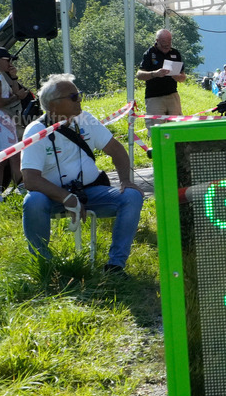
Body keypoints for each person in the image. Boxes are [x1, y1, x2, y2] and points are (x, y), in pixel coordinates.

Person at [20, 74, 144, 276]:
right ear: (53, 105)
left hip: (91, 192)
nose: (80, 100)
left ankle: (115, 266)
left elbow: (117, 151)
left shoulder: (86, 119)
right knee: (32, 200)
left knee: (132, 196)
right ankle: (44, 266)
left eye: (79, 95)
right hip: (53, 198)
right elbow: (30, 179)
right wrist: (66, 197)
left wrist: (126, 181)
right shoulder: (35, 131)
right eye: (74, 96)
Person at [0, 47, 31, 201]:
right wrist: (17, 97)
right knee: (14, 157)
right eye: (7, 60)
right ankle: (22, 191)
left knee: (0, 160)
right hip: (1, 124)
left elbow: (12, 95)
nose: (10, 63)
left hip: (0, 124)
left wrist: (14, 77)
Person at [135, 28, 186, 125]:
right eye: (163, 42)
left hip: (172, 95)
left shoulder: (175, 53)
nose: (167, 45)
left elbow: (183, 76)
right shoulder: (149, 53)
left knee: (177, 126)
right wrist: (154, 74)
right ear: (157, 41)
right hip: (154, 97)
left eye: (169, 41)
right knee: (156, 127)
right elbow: (139, 75)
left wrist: (178, 77)